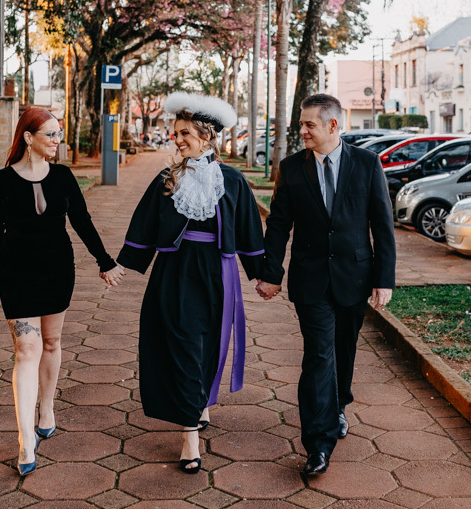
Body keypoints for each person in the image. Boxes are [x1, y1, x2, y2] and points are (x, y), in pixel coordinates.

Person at [115, 92, 264, 473]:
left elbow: (248, 230)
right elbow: (144, 223)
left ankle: (201, 401)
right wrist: (120, 264)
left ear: (206, 135)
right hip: (176, 273)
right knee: (181, 346)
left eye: (184, 133)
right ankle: (189, 438)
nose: (176, 139)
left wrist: (264, 274)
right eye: (175, 133)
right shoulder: (167, 180)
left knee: (210, 345)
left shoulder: (232, 180)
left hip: (218, 273)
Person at [0, 107, 124, 476]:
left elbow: (82, 222)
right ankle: (26, 439)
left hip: (58, 271)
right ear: (28, 137)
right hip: (17, 274)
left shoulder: (63, 177)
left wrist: (104, 261)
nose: (58, 141)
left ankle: (47, 408)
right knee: (27, 348)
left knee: (52, 342)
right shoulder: (1, 182)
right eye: (52, 135)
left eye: (60, 134)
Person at [256, 94, 395, 476]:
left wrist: (384, 279)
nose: (301, 131)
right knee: (319, 355)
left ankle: (338, 405)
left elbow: (382, 226)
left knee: (344, 350)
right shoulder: (291, 168)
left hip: (355, 276)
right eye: (301, 124)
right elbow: (279, 224)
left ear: (333, 126)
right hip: (310, 279)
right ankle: (318, 444)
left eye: (308, 125)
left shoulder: (366, 164)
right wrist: (271, 273)